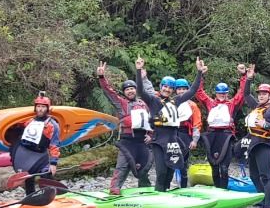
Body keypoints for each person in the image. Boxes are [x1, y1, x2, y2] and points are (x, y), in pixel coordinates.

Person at [136, 57, 203, 192]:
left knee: (170, 171)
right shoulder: (153, 100)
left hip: (173, 140)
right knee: (161, 172)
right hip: (158, 140)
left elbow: (192, 90)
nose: (167, 89)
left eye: (170, 88)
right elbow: (140, 91)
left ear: (173, 90)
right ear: (161, 87)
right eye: (165, 86)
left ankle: (165, 194)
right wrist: (138, 71)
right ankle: (159, 195)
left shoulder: (176, 100)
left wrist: (199, 72)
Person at [97, 61, 153, 195]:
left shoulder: (143, 103)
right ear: (124, 93)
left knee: (144, 167)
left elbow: (150, 93)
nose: (130, 91)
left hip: (142, 141)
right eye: (127, 89)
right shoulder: (122, 103)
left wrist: (150, 135)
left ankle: (145, 192)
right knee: (122, 167)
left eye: (132, 88)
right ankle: (114, 190)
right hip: (127, 141)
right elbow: (109, 92)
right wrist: (101, 77)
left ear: (136, 90)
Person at [194, 64, 251, 188]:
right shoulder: (210, 103)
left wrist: (243, 76)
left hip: (226, 136)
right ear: (216, 93)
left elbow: (242, 93)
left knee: (224, 168)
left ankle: (224, 190)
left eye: (224, 93)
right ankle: (217, 189)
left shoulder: (232, 104)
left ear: (227, 93)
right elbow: (198, 92)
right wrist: (201, 75)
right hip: (212, 135)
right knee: (214, 168)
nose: (222, 95)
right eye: (220, 93)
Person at [11, 91, 61, 195]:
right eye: (38, 106)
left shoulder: (53, 125)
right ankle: (31, 199)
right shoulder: (30, 122)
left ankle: (50, 197)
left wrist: (53, 163)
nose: (40, 109)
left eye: (43, 107)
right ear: (35, 108)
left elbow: (54, 145)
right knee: (28, 179)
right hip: (26, 155)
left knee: (46, 175)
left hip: (40, 155)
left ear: (47, 108)